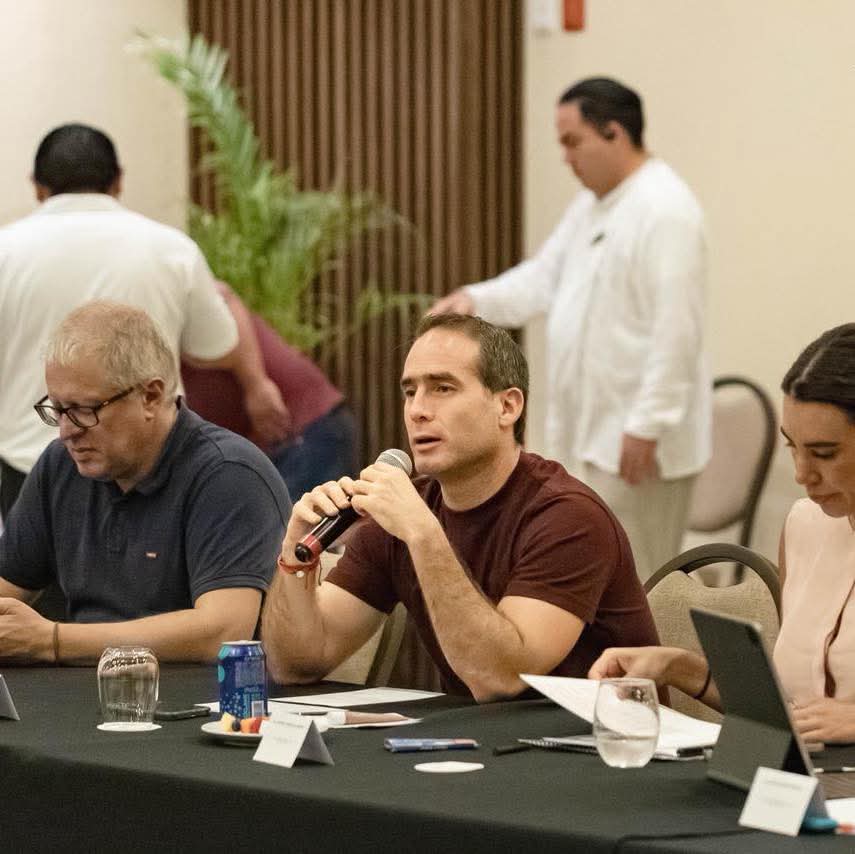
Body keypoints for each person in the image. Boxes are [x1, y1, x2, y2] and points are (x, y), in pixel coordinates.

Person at [261, 313, 658, 702]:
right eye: (410, 391)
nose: (417, 410)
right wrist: (294, 556)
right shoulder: (406, 511)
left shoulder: (569, 517)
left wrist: (424, 535)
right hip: (482, 740)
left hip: (598, 740)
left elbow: (500, 679)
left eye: (443, 388)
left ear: (507, 407)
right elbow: (296, 666)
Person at [430, 77, 711, 581]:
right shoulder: (591, 206)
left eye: (572, 141)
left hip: (636, 441)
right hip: (589, 433)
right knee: (589, 575)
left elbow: (678, 331)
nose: (565, 157)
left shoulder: (666, 210)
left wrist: (647, 424)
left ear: (614, 133)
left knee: (643, 583)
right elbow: (542, 278)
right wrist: (475, 300)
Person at [0, 123, 288, 519]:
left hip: (27, 467)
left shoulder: (5, 252)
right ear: (119, 180)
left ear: (36, 186)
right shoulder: (172, 250)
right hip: (149, 469)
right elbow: (217, 347)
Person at [590, 323, 855, 743]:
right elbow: (788, 712)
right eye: (793, 447)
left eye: (824, 453)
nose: (802, 474)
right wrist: (679, 668)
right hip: (801, 773)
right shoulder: (805, 526)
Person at [0, 302, 291, 664]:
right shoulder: (60, 467)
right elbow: (6, 590)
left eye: (84, 409)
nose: (66, 431)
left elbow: (224, 632)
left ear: (151, 396)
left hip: (202, 695)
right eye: (58, 409)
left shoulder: (229, 474)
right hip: (82, 689)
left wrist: (52, 640)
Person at [182, 283, 359, 500]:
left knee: (306, 521)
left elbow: (224, 298)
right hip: (281, 442)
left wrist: (256, 384)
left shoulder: (165, 279)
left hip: (303, 430)